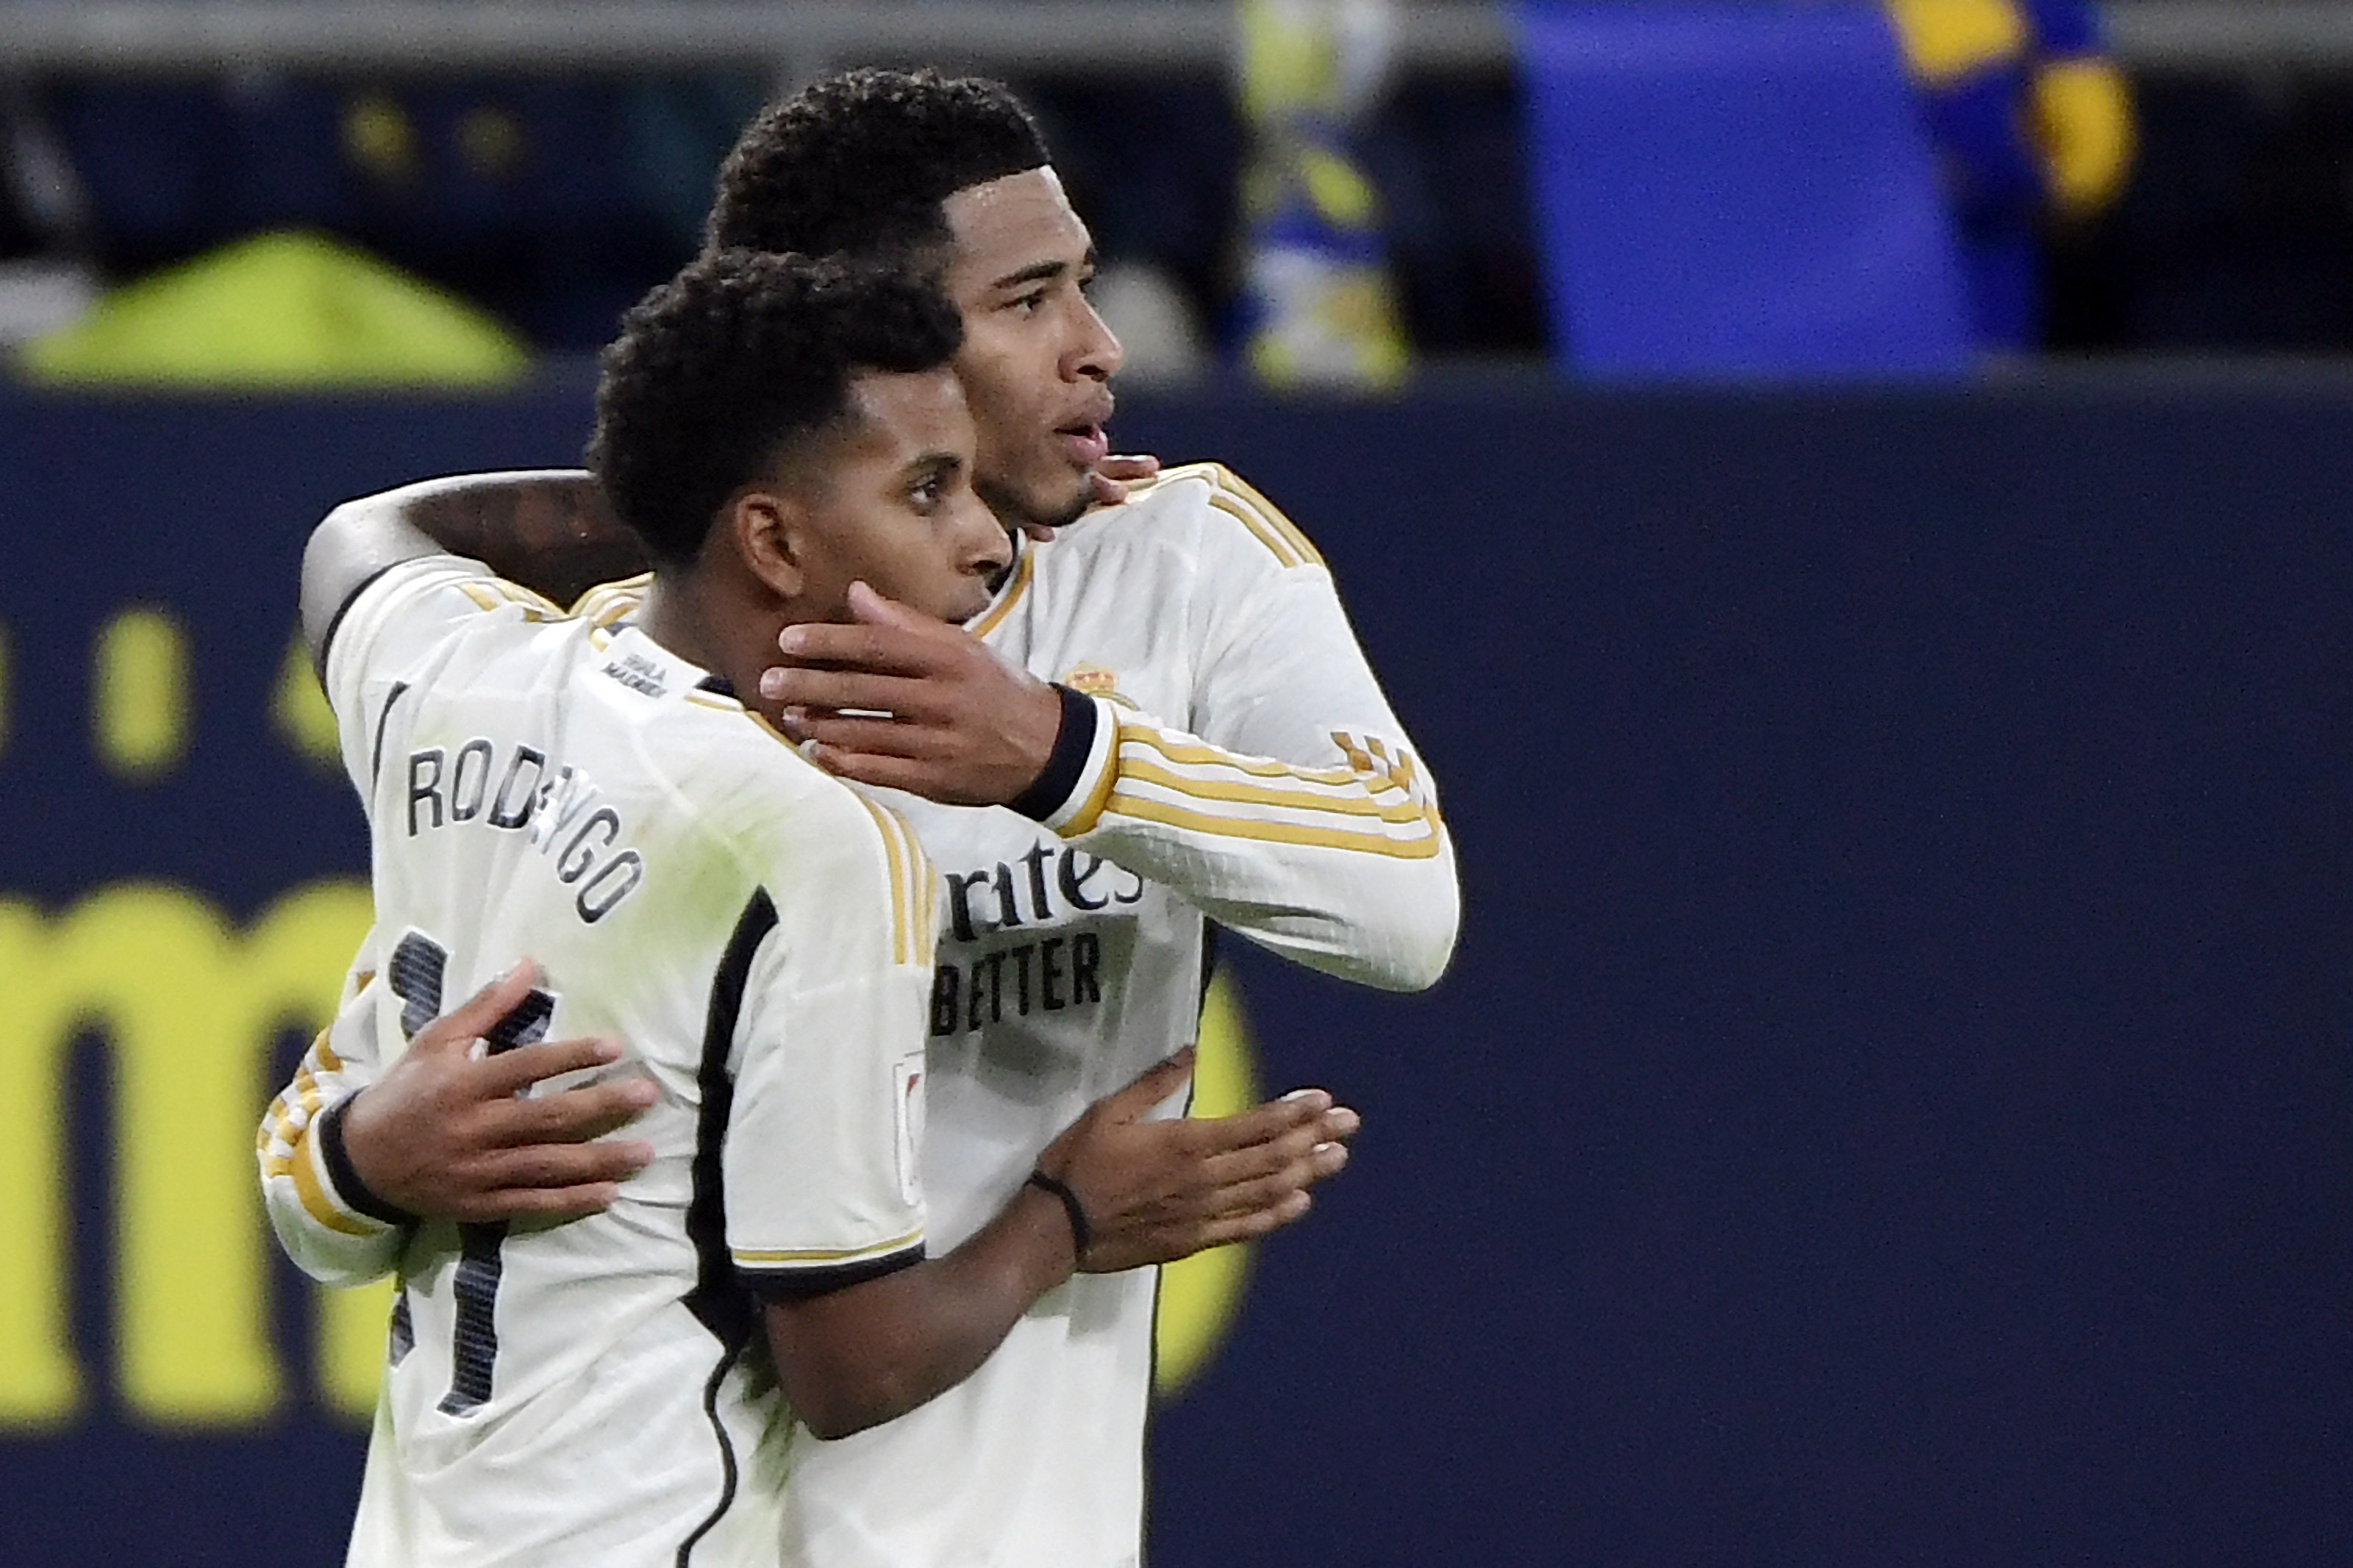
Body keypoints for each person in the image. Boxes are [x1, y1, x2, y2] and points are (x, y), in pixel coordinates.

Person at [274, 68, 1457, 1567]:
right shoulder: (646, 681)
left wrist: (1058, 752)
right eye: (1026, 301)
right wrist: (365, 1152)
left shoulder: (1181, 565)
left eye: (1085, 285)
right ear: (867, 338)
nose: (1096, 348)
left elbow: (1408, 905)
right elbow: (340, 1134)